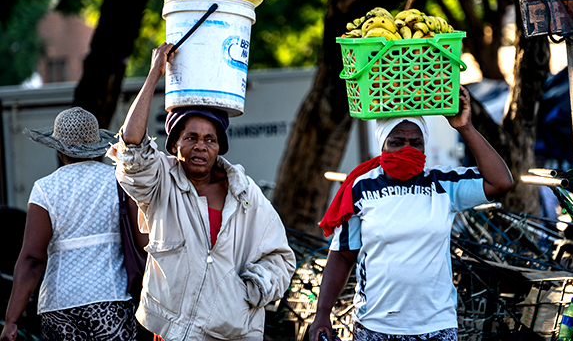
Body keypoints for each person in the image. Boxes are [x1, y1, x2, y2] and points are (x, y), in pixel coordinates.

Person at [107, 42, 296, 341]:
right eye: (191, 137)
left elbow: (280, 257)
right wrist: (155, 73)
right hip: (173, 331)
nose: (201, 146)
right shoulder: (160, 183)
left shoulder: (245, 194)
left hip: (232, 332)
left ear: (219, 147)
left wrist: (252, 289)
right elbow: (131, 145)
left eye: (210, 140)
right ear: (174, 145)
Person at [308, 86, 513, 341]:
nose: (407, 149)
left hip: (437, 325)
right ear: (382, 144)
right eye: (397, 142)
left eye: (416, 143)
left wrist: (465, 128)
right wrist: (322, 313)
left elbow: (500, 182)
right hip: (376, 326)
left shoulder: (443, 183)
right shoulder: (361, 187)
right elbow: (341, 257)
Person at [0, 107, 137, 341]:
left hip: (60, 306)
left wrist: (11, 321)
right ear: (96, 145)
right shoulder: (119, 180)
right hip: (112, 300)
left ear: (58, 148)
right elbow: (140, 239)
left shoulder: (45, 189)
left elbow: (33, 259)